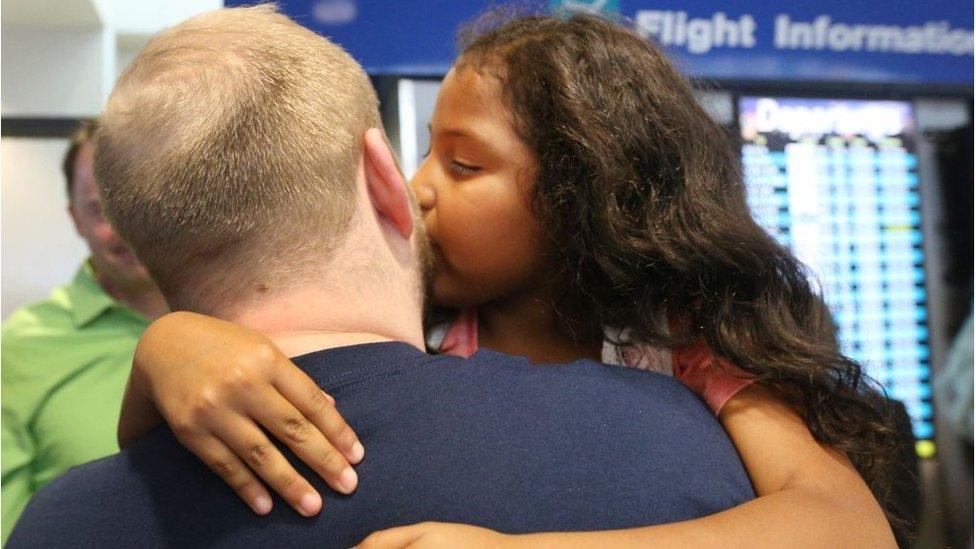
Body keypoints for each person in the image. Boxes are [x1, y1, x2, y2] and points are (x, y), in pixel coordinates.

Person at [119, 8, 901, 548]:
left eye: (463, 164)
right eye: (423, 151)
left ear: (584, 192)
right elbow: (169, 464)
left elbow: (846, 528)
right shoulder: (412, 328)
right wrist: (169, 347)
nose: (418, 186)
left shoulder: (684, 339)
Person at [0, 120, 170, 542]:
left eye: (144, 203)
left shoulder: (243, 319)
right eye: (102, 209)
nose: (128, 227)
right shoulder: (21, 347)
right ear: (75, 219)